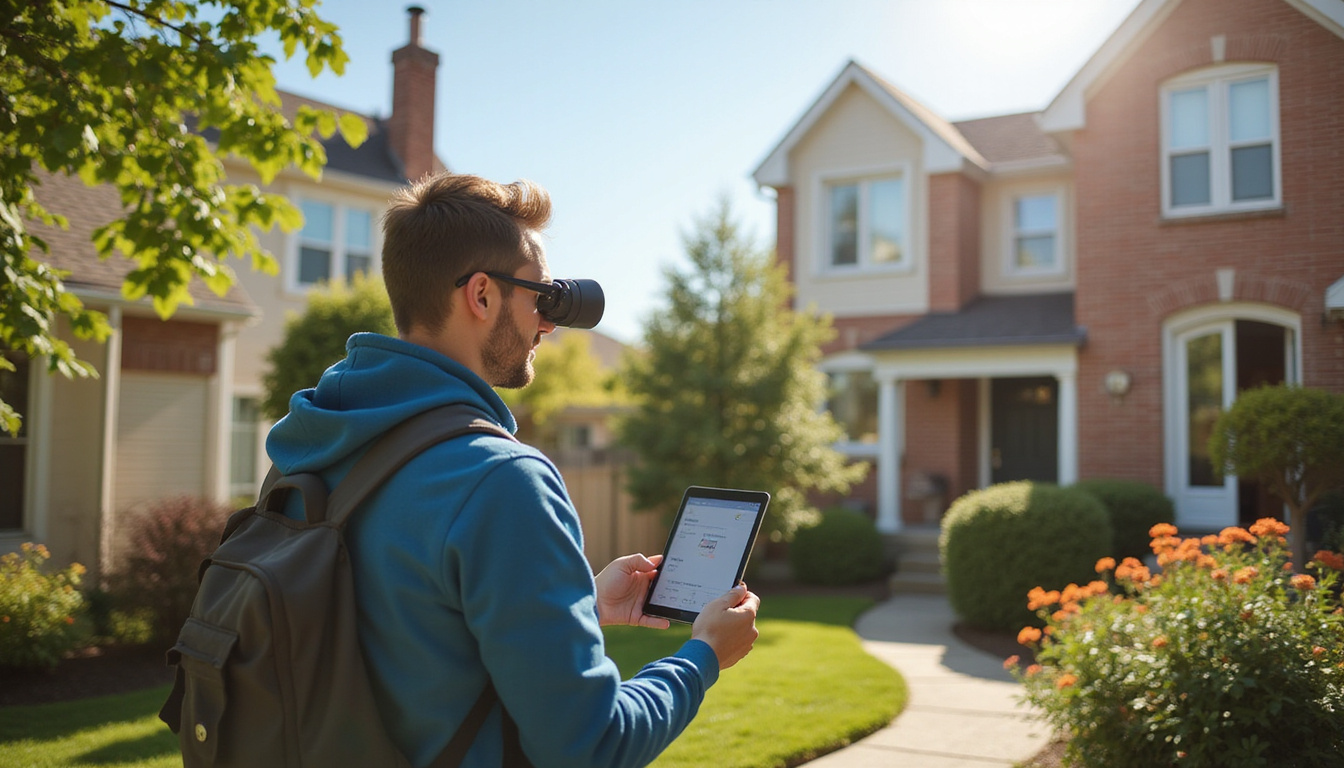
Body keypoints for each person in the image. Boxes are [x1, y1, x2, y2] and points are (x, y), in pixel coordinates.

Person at [264, 172, 761, 768]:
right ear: (481, 296)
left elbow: (394, 629)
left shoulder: (310, 451)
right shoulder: (500, 481)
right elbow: (591, 745)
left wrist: (575, 607)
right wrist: (702, 654)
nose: (548, 323)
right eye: (541, 297)